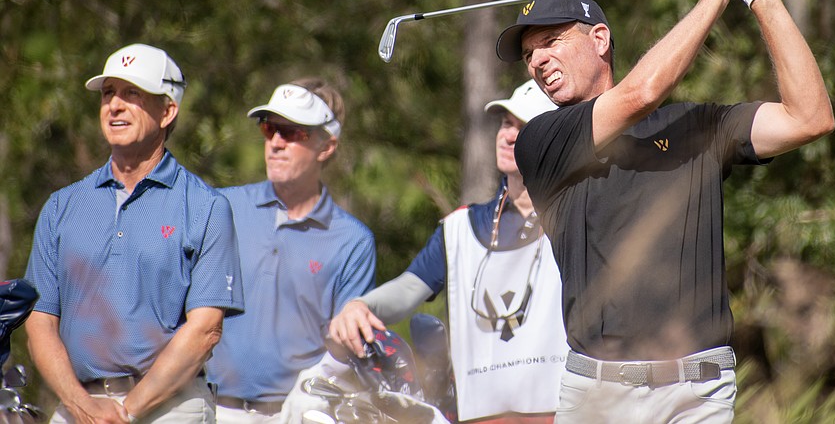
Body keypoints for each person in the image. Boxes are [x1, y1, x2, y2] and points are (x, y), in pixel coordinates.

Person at [493, 0, 835, 422]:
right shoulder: (542, 141)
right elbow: (641, 93)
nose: (537, 61)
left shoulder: (696, 126)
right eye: (529, 54)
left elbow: (810, 118)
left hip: (696, 396)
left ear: (600, 38)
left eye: (551, 40)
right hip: (597, 395)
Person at [24, 43, 245, 424]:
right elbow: (40, 321)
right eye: (109, 93)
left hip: (170, 407)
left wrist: (127, 412)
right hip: (78, 405)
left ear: (168, 111)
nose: (115, 105)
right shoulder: (62, 206)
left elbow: (206, 329)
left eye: (133, 94)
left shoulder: (206, 206)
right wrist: (81, 405)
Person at [328, 79, 569, 424]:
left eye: (524, 126)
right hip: (478, 415)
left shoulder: (576, 216)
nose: (509, 135)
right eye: (506, 123)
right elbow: (410, 289)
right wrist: (361, 306)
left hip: (556, 412)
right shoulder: (460, 226)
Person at [204, 78, 377, 423]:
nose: (276, 143)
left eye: (292, 132)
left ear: (326, 147)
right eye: (269, 129)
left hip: (294, 414)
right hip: (211, 410)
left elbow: (347, 349)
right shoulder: (222, 207)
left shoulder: (352, 240)